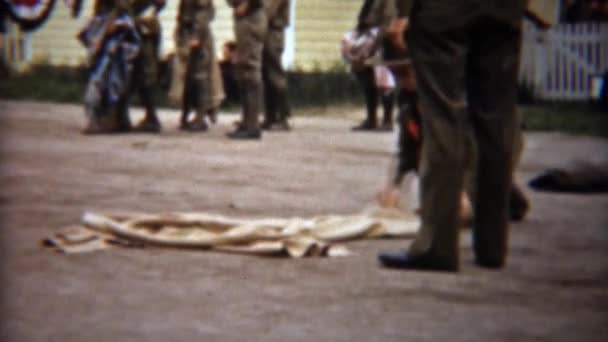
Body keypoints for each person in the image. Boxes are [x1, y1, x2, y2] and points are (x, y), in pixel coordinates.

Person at [378, 0, 527, 272]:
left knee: (443, 116)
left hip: (444, 10)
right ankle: (492, 246)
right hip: (504, 8)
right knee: (496, 118)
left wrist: (403, 12)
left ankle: (437, 245)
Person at [351, 0, 397, 131]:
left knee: (384, 80)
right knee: (366, 77)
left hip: (380, 39)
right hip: (367, 36)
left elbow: (387, 19)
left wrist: (378, 41)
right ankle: (371, 118)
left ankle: (387, 120)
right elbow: (364, 17)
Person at [226, 0, 267, 140]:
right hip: (244, 18)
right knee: (243, 71)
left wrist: (248, 4)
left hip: (251, 18)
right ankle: (247, 121)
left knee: (250, 70)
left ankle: (252, 125)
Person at [177, 0, 217, 131]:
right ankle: (186, 115)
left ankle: (200, 116)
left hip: (199, 34)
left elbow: (203, 12)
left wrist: (197, 35)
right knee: (189, 77)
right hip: (188, 30)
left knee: (200, 77)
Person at [127, 0, 165, 133]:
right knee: (135, 72)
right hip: (135, 25)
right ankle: (122, 115)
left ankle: (152, 118)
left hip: (144, 28)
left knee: (145, 72)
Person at [261, 0, 291, 131]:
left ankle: (281, 116)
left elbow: (268, 11)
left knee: (275, 75)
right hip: (264, 31)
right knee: (266, 75)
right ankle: (270, 116)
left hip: (273, 32)